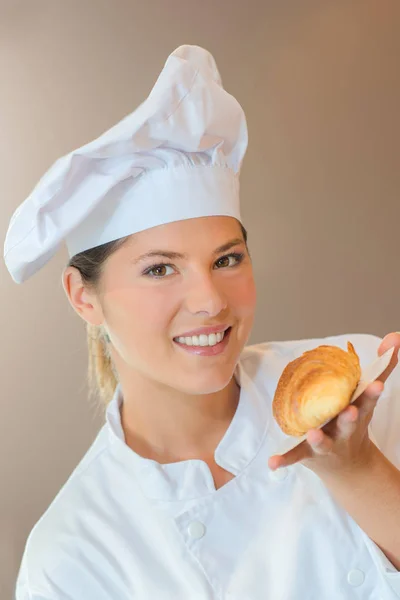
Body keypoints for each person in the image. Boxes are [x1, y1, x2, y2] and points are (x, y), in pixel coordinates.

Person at [4, 45, 400, 600]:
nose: (209, 300)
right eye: (161, 268)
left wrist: (357, 468)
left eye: (227, 259)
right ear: (83, 297)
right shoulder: (73, 557)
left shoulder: (369, 388)